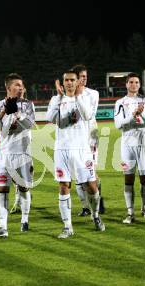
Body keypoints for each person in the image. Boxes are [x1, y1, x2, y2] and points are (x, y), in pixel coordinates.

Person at [46, 69, 105, 239]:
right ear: (63, 83)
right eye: (67, 80)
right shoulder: (56, 99)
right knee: (64, 186)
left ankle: (95, 216)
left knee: (91, 187)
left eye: (73, 80)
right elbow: (50, 118)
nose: (70, 83)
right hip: (61, 149)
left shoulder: (86, 97)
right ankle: (67, 227)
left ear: (78, 82)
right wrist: (58, 97)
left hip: (82, 150)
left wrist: (78, 96)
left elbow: (87, 115)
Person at [0, 73, 35, 238]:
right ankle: (3, 227)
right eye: (17, 85)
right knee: (2, 191)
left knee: (23, 189)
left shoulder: (28, 105)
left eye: (21, 85)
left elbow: (30, 124)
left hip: (22, 154)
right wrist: (2, 112)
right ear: (8, 88)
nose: (20, 88)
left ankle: (24, 219)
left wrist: (17, 113)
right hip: (3, 155)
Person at [114, 73, 145, 224]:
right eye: (131, 82)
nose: (134, 84)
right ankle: (130, 212)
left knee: (144, 177)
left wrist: (141, 112)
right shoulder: (120, 102)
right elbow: (118, 124)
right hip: (127, 143)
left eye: (136, 82)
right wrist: (133, 116)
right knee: (129, 178)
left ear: (139, 85)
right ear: (126, 84)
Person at [71, 64, 106, 217]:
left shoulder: (93, 94)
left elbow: (88, 115)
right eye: (82, 76)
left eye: (85, 76)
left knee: (91, 172)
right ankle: (85, 207)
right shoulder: (68, 94)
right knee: (77, 174)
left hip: (90, 136)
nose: (85, 79)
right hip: (74, 137)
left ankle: (99, 198)